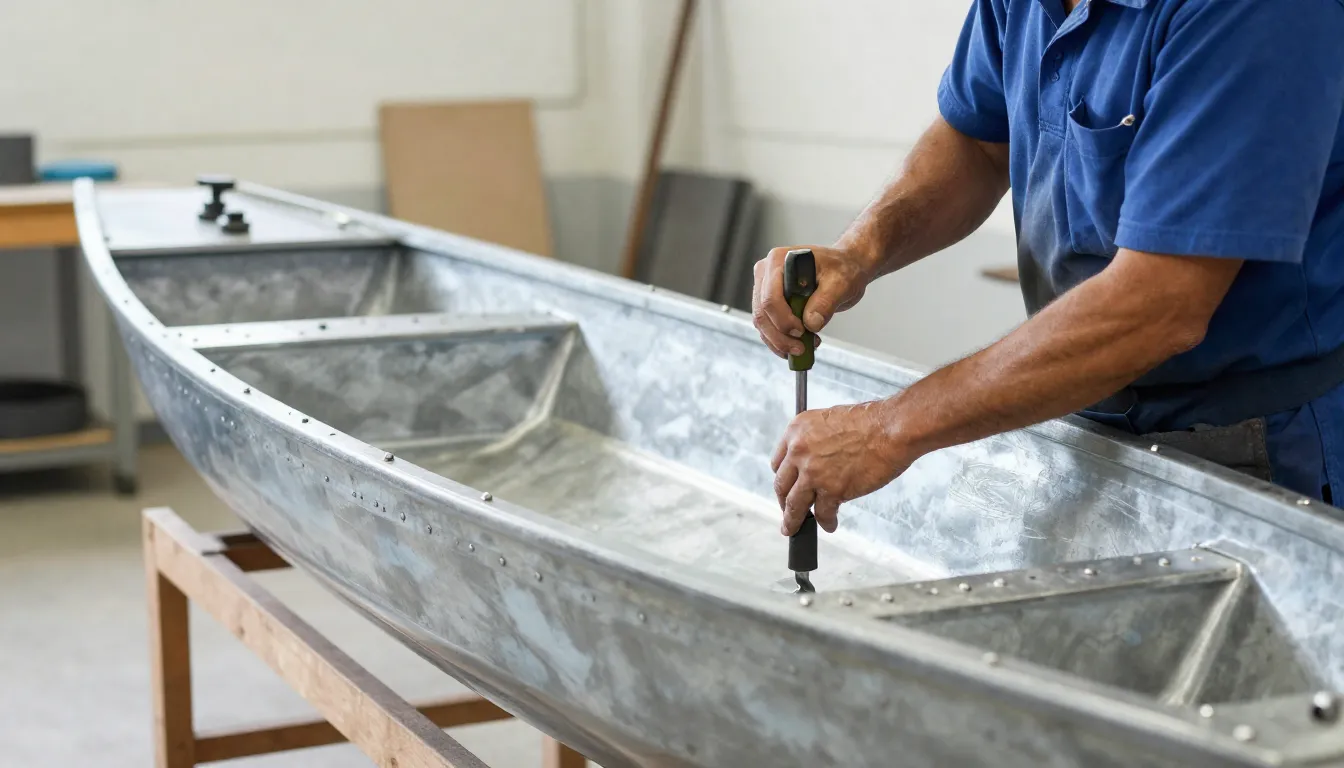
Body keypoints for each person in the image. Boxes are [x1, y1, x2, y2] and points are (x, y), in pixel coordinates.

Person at [756, 0, 1344, 539]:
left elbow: (1159, 307)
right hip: (1087, 411)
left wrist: (889, 429)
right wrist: (857, 253)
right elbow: (980, 144)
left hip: (1262, 447)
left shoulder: (1257, 11)